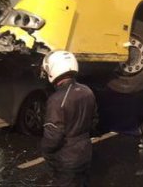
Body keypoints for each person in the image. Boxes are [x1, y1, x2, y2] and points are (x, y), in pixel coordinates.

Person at [41, 50, 96, 187]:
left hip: (67, 158)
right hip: (85, 151)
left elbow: (53, 136)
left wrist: (45, 150)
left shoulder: (57, 100)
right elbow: (95, 121)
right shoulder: (87, 91)